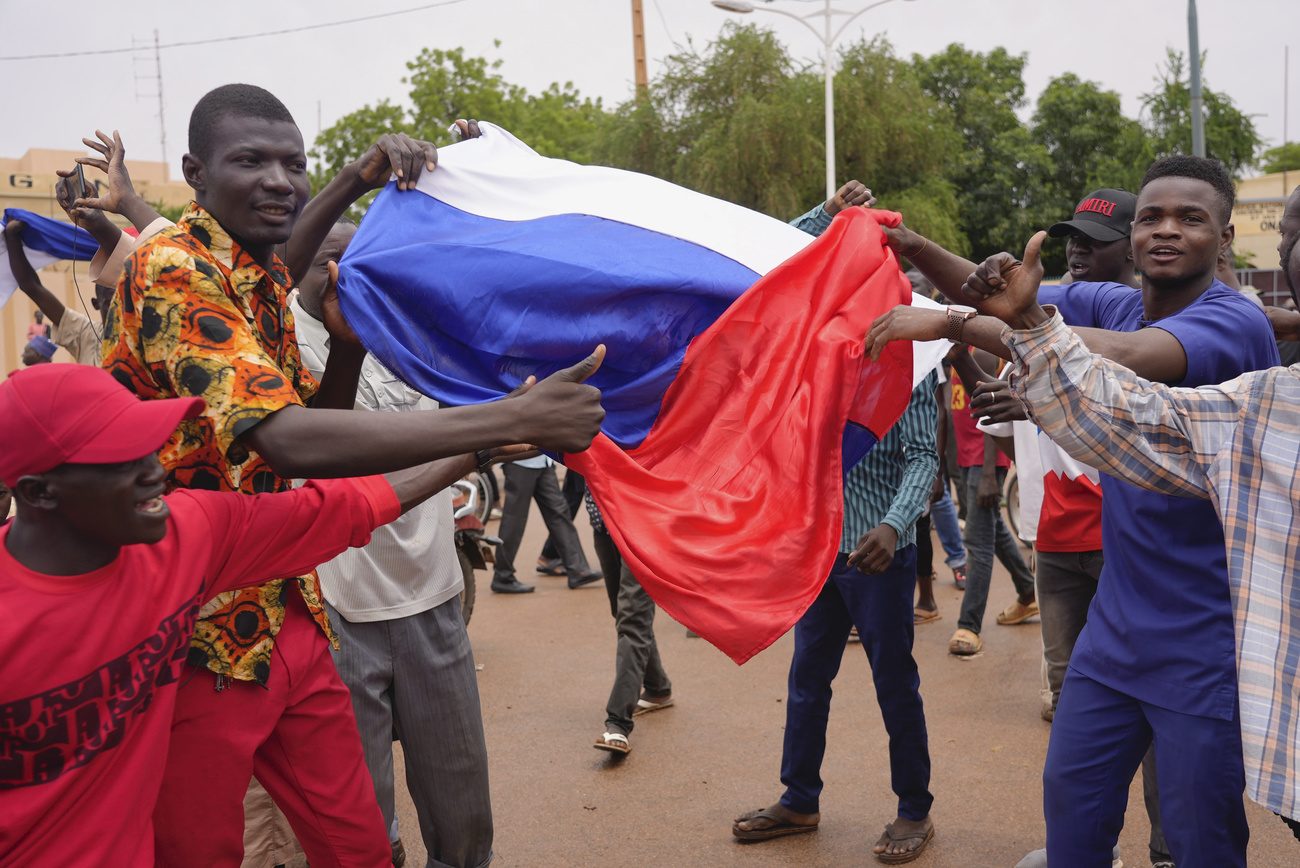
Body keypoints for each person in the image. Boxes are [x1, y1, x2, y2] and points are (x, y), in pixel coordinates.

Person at [100, 83, 605, 868]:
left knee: (360, 845)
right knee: (197, 850)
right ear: (196, 174)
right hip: (193, 631)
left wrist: (353, 204)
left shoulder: (250, 278)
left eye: (293, 164)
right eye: (251, 161)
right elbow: (288, 441)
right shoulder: (172, 267)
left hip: (288, 610)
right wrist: (513, 421)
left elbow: (298, 409)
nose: (279, 179)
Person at [867, 156, 1281, 867]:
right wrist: (912, 248)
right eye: (1152, 216)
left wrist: (948, 322)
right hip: (1116, 630)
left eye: (1191, 218)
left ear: (1226, 236)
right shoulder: (1115, 298)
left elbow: (1122, 357)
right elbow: (1002, 294)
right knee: (1073, 807)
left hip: (1206, 638)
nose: (1166, 231)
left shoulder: (1233, 322)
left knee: (1199, 839)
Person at [0, 363, 461, 867]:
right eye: (119, 460)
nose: (155, 471)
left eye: (149, 446)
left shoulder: (185, 537)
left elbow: (340, 507)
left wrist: (483, 443)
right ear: (38, 492)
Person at [973, 189, 1172, 868]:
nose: (1077, 249)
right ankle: (1091, 847)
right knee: (1072, 699)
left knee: (1153, 711)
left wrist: (1037, 401)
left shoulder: (1149, 336)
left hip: (1129, 548)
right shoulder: (1039, 322)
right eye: (1071, 238)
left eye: (1094, 237)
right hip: (1054, 541)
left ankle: (1168, 849)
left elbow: (1111, 414)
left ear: (1134, 248)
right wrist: (960, 347)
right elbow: (999, 411)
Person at [292, 219, 494, 868]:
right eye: (328, 259)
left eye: (360, 260)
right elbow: (328, 452)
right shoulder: (277, 347)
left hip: (433, 596)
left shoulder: (413, 337)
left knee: (463, 820)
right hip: (340, 611)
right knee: (363, 831)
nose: (344, 275)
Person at [732, 371, 939, 863]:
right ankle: (799, 799)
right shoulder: (815, 358)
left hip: (880, 556)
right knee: (806, 678)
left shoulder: (911, 364)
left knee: (893, 682)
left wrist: (892, 525)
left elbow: (924, 458)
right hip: (820, 550)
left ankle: (915, 808)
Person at [946, 345, 1036, 655]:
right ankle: (1028, 592)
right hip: (966, 456)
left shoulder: (980, 351)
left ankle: (969, 625)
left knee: (977, 540)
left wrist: (988, 472)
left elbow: (992, 410)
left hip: (985, 461)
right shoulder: (950, 352)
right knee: (991, 529)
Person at [588, 491, 674, 755]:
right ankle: (658, 687)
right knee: (623, 612)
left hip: (641, 523)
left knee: (632, 619)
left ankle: (618, 722)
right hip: (602, 521)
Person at [491, 456, 601, 593]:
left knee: (559, 513)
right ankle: (502, 576)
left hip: (543, 462)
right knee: (514, 520)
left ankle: (578, 569)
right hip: (519, 463)